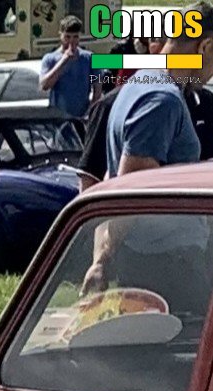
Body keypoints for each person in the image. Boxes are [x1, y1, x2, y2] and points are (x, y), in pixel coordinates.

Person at [86, 5, 213, 290]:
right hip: (167, 265)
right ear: (205, 46)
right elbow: (130, 191)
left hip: (149, 260)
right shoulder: (161, 100)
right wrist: (102, 261)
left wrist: (101, 255)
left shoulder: (139, 84)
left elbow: (111, 180)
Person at [39, 16, 91, 118]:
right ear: (61, 35)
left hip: (82, 117)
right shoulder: (50, 59)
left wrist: (89, 114)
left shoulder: (89, 58)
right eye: (67, 37)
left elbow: (97, 90)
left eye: (75, 37)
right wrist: (63, 60)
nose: (71, 41)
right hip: (58, 119)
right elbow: (44, 86)